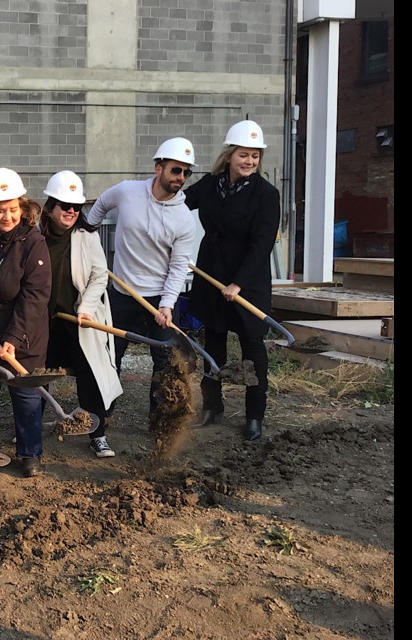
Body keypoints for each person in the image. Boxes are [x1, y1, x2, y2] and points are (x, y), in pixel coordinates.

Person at [84, 137, 197, 419]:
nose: (181, 177)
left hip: (158, 296)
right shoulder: (127, 192)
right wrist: (87, 235)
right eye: (176, 170)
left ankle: (159, 421)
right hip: (122, 291)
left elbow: (178, 266)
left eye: (186, 172)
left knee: (164, 361)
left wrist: (167, 304)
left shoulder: (183, 218)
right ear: (158, 168)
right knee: (111, 355)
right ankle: (103, 415)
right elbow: (99, 206)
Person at [184, 120, 280, 441]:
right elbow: (178, 203)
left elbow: (262, 243)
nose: (250, 161)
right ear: (230, 154)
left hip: (247, 283)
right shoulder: (211, 184)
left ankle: (254, 415)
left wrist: (238, 283)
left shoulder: (266, 195)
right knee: (214, 344)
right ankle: (213, 406)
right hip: (211, 274)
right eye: (244, 154)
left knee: (253, 350)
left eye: (255, 155)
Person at [0, 168, 52, 478]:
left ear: (22, 206)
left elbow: (35, 296)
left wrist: (14, 337)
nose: (7, 216)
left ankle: (29, 452)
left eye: (13, 209)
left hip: (25, 330)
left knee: (25, 390)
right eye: (0, 209)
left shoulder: (33, 242)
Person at [39, 170, 123, 458]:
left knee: (91, 376)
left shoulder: (87, 236)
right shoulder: (35, 236)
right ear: (50, 207)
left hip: (79, 321)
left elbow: (99, 276)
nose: (72, 212)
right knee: (38, 374)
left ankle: (97, 433)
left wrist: (86, 307)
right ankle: (29, 428)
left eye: (77, 207)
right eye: (65, 206)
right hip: (45, 321)